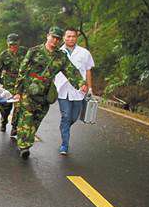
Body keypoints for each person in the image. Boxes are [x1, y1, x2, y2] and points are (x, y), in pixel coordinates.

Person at [13, 26, 87, 160]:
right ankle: (24, 146)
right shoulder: (34, 52)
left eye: (58, 39)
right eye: (53, 37)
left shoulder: (61, 57)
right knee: (27, 118)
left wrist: (81, 84)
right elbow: (22, 71)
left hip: (45, 94)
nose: (55, 41)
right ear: (48, 36)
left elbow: (71, 71)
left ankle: (24, 138)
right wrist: (18, 91)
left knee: (37, 120)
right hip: (29, 92)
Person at [54, 27, 95, 155]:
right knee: (66, 116)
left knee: (73, 117)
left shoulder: (84, 53)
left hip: (79, 91)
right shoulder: (57, 52)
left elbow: (88, 70)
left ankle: (64, 127)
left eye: (73, 36)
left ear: (77, 37)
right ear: (64, 38)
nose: (71, 38)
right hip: (62, 90)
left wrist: (90, 87)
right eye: (68, 36)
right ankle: (64, 145)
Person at [0, 33, 24, 136]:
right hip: (8, 83)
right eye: (10, 45)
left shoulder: (24, 52)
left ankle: (15, 127)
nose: (13, 47)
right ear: (7, 44)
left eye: (15, 45)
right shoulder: (4, 54)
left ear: (18, 43)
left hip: (20, 83)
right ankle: (4, 120)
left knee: (19, 106)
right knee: (5, 106)